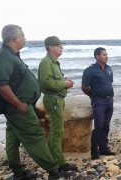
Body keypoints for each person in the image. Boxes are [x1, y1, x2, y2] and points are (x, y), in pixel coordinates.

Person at [0, 24, 68, 180]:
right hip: (18, 107)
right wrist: (19, 105)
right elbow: (1, 85)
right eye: (23, 36)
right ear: (14, 38)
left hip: (19, 106)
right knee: (35, 135)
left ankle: (18, 172)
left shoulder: (11, 55)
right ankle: (54, 171)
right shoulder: (3, 57)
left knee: (13, 138)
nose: (25, 39)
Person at [38, 36, 77, 172]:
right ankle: (57, 163)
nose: (62, 48)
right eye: (59, 46)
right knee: (56, 131)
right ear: (50, 47)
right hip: (53, 99)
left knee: (57, 130)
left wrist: (65, 83)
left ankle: (54, 160)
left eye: (61, 46)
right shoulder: (46, 62)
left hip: (57, 99)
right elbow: (46, 82)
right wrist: (64, 84)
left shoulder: (54, 62)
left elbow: (53, 81)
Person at [82, 47, 116, 160]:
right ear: (97, 56)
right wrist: (94, 96)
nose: (106, 56)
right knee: (99, 126)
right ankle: (94, 152)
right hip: (99, 102)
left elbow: (109, 83)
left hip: (109, 101)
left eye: (107, 54)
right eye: (104, 54)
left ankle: (104, 148)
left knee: (106, 126)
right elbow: (85, 88)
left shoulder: (109, 69)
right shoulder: (90, 70)